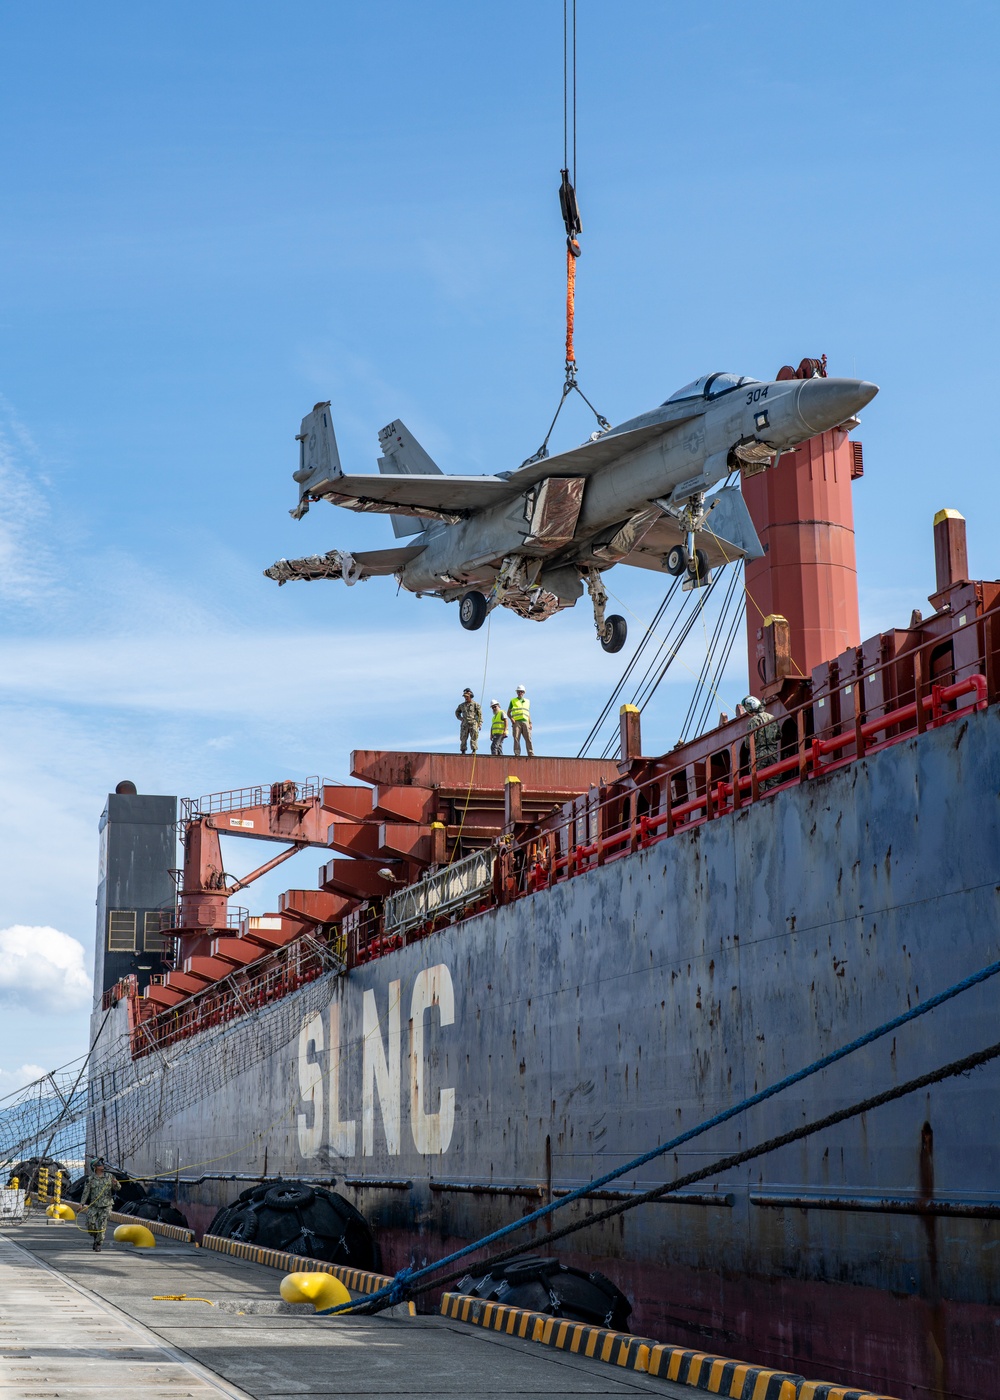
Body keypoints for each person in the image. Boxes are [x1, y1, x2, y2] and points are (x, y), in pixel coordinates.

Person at [79, 1159, 120, 1251]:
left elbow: (118, 1188)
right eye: (99, 1165)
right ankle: (96, 1236)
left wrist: (115, 1183)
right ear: (95, 1167)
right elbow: (86, 1192)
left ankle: (98, 1243)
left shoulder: (110, 1176)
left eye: (102, 1164)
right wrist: (81, 1204)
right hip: (94, 1205)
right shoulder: (90, 1179)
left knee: (102, 1225)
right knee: (90, 1225)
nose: (102, 1166)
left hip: (106, 1205)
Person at [742, 695, 781, 792]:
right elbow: (779, 735)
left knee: (760, 786)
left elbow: (748, 744)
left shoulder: (753, 721)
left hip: (759, 757)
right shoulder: (771, 717)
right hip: (773, 754)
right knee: (774, 783)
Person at [508, 685, 533, 757]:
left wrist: (530, 722)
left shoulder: (527, 701)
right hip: (516, 722)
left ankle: (530, 753)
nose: (520, 693)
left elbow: (528, 713)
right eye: (518, 692)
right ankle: (517, 753)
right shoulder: (513, 701)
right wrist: (511, 718)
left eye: (521, 692)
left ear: (523, 692)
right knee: (516, 738)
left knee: (528, 738)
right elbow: (508, 712)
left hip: (525, 721)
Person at [455, 688, 482, 755]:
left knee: (474, 736)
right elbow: (457, 712)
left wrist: (480, 723)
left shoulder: (475, 704)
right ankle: (463, 750)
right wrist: (460, 718)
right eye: (465, 697)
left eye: (467, 696)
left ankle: (474, 750)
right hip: (464, 724)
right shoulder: (462, 705)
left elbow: (480, 715)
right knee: (463, 737)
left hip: (473, 723)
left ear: (471, 696)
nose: (466, 698)